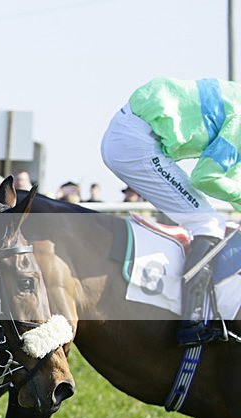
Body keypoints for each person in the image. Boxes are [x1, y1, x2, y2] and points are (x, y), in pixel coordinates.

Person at [101, 77, 241, 346]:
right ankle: (192, 322)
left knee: (206, 217)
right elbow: (206, 177)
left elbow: (228, 176)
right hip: (135, 142)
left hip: (130, 132)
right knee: (208, 222)